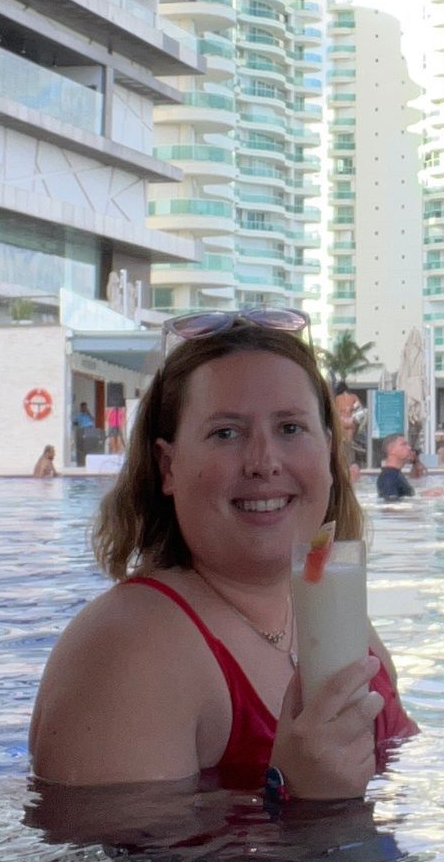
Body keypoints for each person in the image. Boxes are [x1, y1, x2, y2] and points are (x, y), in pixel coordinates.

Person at [30, 315, 418, 799]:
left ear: (329, 453)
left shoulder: (335, 617)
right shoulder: (131, 651)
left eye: (291, 428)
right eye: (226, 434)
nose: (263, 461)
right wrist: (294, 798)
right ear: (167, 467)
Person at [376, 434, 415, 502]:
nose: (409, 448)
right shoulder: (388, 477)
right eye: (403, 444)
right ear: (390, 449)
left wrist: (424, 495)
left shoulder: (395, 474)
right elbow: (390, 508)